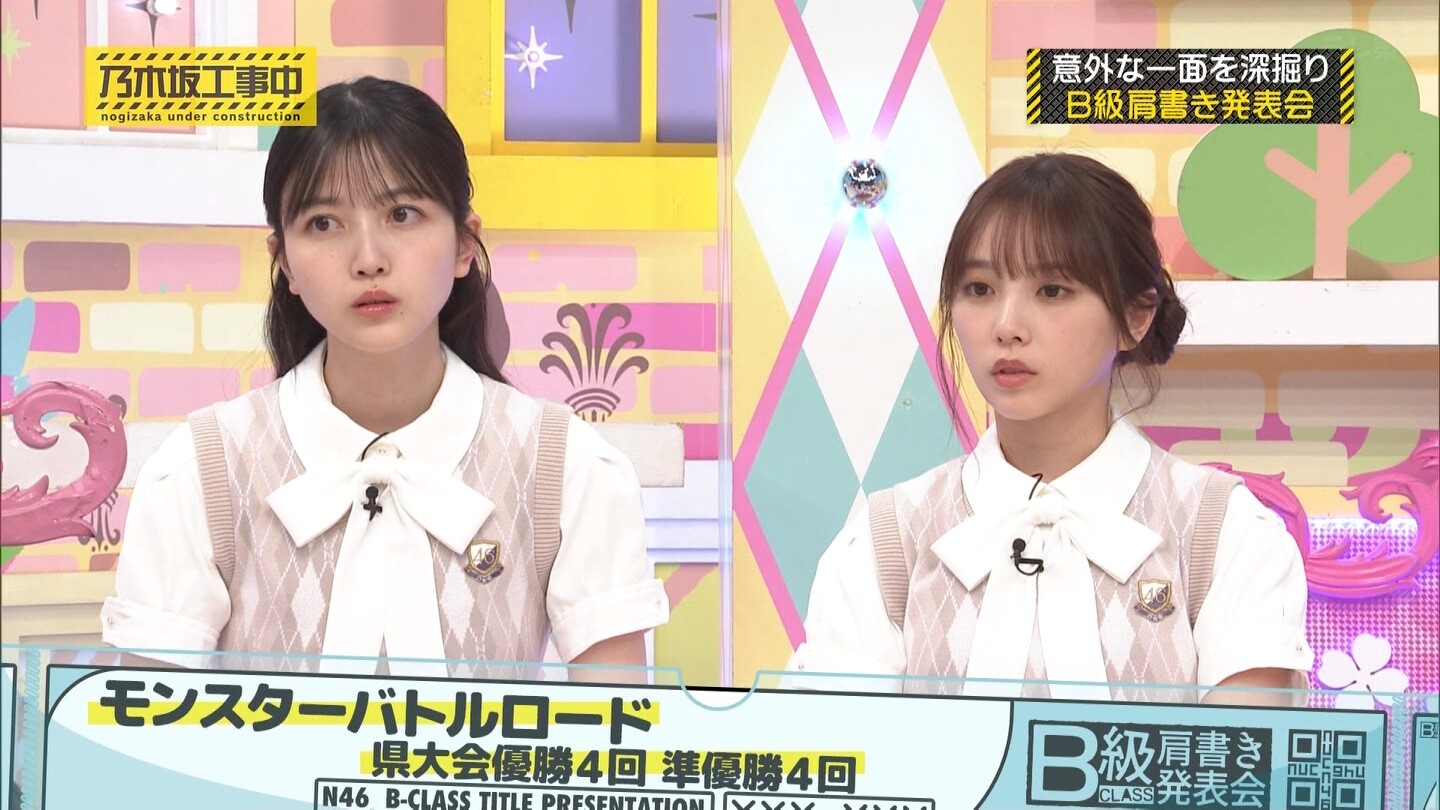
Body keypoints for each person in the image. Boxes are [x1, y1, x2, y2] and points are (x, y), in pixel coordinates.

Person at [100, 77, 669, 679]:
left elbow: (614, 723)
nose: (368, 258)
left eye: (402, 214)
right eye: (324, 223)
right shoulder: (199, 470)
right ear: (284, 261)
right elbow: (146, 724)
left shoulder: (568, 467)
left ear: (464, 244)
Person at [789, 153, 1312, 704]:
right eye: (979, 289)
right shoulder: (886, 542)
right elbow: (842, 749)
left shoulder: (1224, 532)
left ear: (1136, 316)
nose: (1007, 327)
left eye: (1052, 290)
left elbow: (1242, 754)